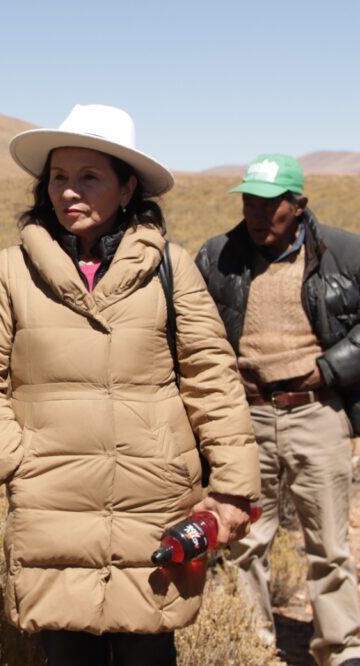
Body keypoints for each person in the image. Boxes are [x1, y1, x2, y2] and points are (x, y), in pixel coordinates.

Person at [0, 104, 261, 666]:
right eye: (58, 178)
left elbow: (211, 379)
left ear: (126, 188)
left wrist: (235, 488)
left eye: (88, 177)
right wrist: (17, 461)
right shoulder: (13, 270)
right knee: (67, 649)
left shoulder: (172, 267)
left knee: (149, 648)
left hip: (154, 498)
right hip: (54, 503)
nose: (69, 192)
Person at [196, 154, 360, 666]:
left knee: (329, 542)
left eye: (271, 205)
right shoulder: (218, 255)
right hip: (245, 415)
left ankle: (341, 647)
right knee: (245, 537)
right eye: (250, 203)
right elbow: (194, 328)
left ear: (299, 204)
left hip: (316, 411)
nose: (258, 215)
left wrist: (329, 369)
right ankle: (250, 642)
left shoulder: (343, 252)